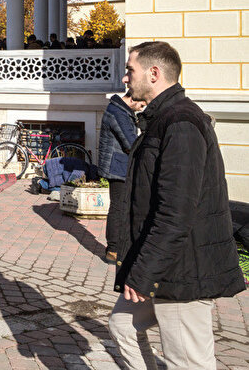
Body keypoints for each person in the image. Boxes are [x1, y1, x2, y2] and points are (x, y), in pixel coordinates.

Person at [108, 41, 245, 370]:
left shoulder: (180, 123)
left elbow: (175, 215)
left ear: (153, 74)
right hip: (165, 266)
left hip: (185, 269)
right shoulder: (160, 119)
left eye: (130, 71)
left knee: (188, 362)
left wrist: (143, 274)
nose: (125, 79)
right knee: (122, 326)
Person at [97, 90, 142, 263]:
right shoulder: (118, 113)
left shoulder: (121, 111)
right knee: (118, 207)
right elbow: (131, 143)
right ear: (133, 98)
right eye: (140, 105)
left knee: (121, 206)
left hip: (120, 166)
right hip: (117, 168)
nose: (140, 108)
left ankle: (118, 247)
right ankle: (113, 250)